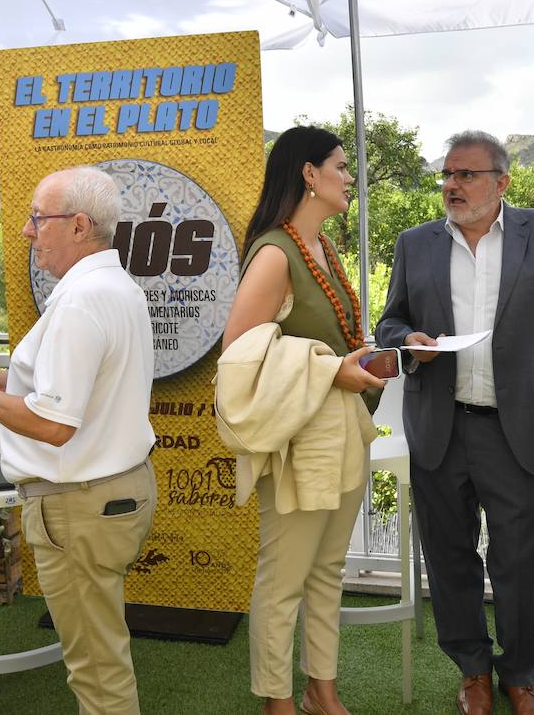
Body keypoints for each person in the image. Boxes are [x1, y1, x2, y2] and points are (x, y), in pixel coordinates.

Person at [375, 130, 534, 715]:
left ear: (501, 182)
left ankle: (521, 674)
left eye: (466, 175)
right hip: (440, 425)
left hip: (519, 428)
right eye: (447, 176)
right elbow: (390, 323)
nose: (452, 186)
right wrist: (409, 343)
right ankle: (473, 670)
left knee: (521, 561)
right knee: (449, 554)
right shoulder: (415, 243)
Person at [0, 166, 155, 715]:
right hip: (111, 494)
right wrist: (5, 383)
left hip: (79, 505)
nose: (26, 231)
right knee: (101, 656)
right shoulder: (113, 287)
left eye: (38, 219)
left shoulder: (81, 301)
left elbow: (54, 425)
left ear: (80, 225)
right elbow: (88, 391)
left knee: (96, 670)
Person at [217, 126, 383, 715]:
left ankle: (322, 692)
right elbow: (237, 354)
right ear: (309, 174)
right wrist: (330, 369)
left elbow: (332, 338)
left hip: (341, 432)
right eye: (341, 165)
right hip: (300, 438)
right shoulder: (274, 252)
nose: (349, 177)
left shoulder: (322, 249)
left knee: (326, 572)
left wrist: (369, 357)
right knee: (284, 580)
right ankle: (277, 701)